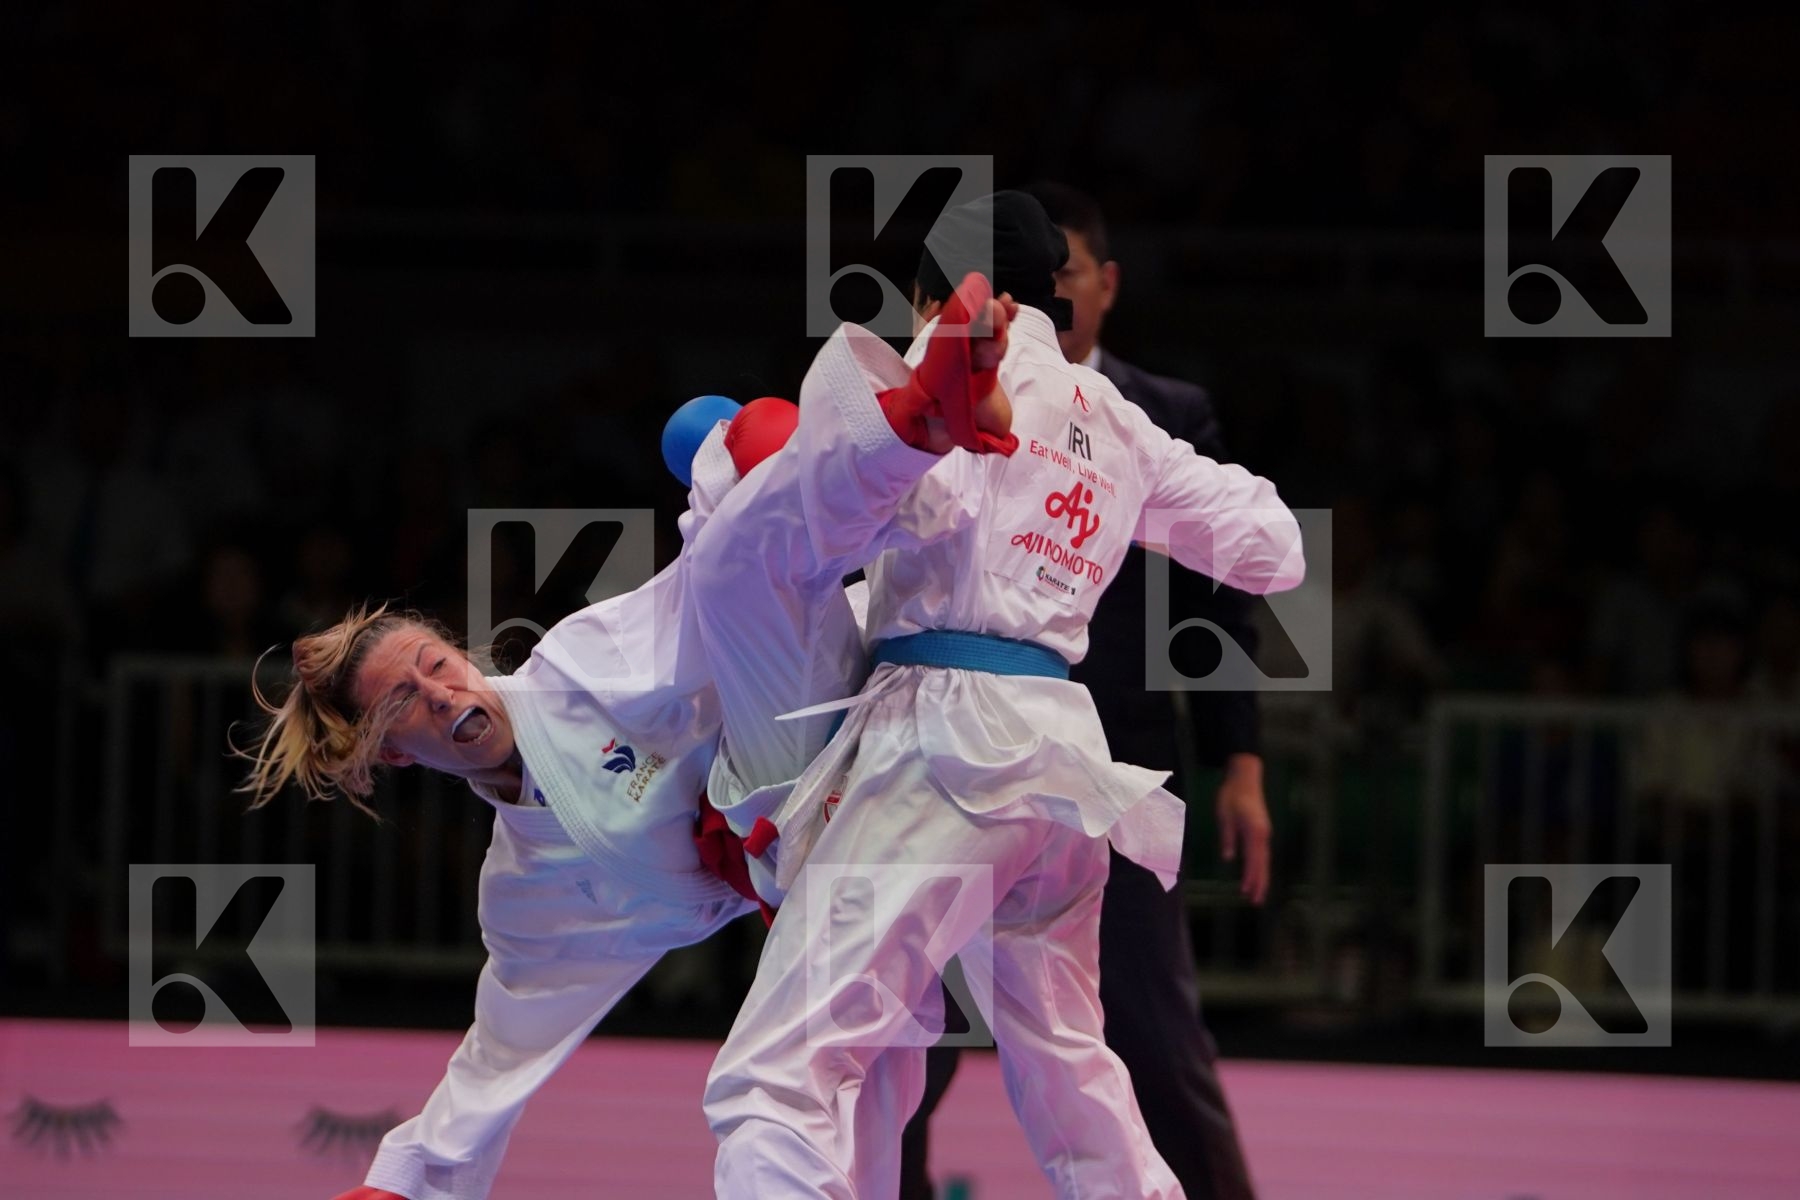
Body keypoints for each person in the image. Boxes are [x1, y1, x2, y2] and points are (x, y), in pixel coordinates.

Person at [698, 191, 1305, 1200]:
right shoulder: (1116, 418)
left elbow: (824, 534)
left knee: (781, 1067)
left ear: (933, 292)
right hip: (1062, 764)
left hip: (941, 742)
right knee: (1073, 1074)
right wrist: (1115, 506)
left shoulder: (923, 392)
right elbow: (1274, 547)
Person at [241, 393, 889, 1200]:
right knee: (846, 1108)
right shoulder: (525, 896)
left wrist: (724, 472)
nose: (437, 694)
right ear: (395, 756)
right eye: (402, 702)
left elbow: (703, 587)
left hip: (842, 699)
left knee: (739, 501)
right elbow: (497, 1059)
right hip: (831, 861)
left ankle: (898, 426)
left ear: (464, 656)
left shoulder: (581, 666)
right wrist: (398, 1186)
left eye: (435, 665)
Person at [899, 180, 1266, 1200]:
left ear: (1101, 284)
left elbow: (1223, 601)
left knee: (1150, 1033)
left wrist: (1243, 759)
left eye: (1061, 272)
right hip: (943, 749)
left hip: (1112, 762)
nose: (1039, 293)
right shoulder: (934, 385)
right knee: (907, 1045)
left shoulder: (1160, 413)